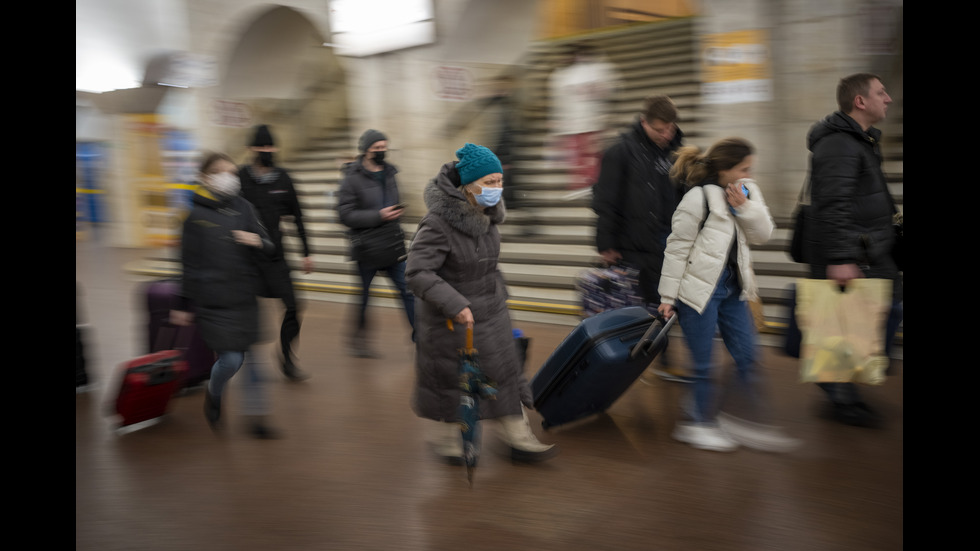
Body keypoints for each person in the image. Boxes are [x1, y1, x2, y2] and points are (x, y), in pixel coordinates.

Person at [406, 143, 557, 464]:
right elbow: (418, 272)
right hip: (453, 320)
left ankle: (517, 436)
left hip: (492, 311)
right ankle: (448, 439)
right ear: (467, 187)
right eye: (489, 183)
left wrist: (500, 297)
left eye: (500, 181)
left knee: (504, 371)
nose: (497, 189)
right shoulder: (436, 224)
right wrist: (455, 303)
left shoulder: (487, 219)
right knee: (454, 380)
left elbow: (487, 265)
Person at [658, 138, 799, 453]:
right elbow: (677, 247)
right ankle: (696, 424)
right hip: (698, 292)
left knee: (748, 355)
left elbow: (764, 234)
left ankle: (744, 420)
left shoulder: (746, 190)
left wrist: (744, 207)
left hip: (735, 288)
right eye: (743, 168)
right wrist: (668, 296)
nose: (748, 175)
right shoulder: (697, 198)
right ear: (724, 169)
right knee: (705, 363)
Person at [804, 73, 903, 428]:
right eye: (881, 92)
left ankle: (842, 386)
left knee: (871, 314)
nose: (888, 98)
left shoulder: (858, 140)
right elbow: (832, 205)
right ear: (860, 102)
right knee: (845, 323)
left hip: (870, 249)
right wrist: (840, 258)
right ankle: (840, 396)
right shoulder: (839, 145)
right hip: (853, 253)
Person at [171, 152, 279, 439]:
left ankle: (257, 421)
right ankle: (214, 391)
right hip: (214, 300)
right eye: (221, 172)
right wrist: (183, 303)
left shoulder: (244, 207)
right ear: (205, 178)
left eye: (232, 172)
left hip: (245, 295)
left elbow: (269, 245)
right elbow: (186, 263)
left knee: (255, 361)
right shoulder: (194, 217)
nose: (229, 178)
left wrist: (257, 240)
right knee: (232, 360)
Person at [592, 95, 687, 381]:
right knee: (645, 303)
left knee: (664, 301)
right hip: (632, 243)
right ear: (644, 122)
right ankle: (638, 360)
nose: (666, 135)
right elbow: (605, 200)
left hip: (667, 241)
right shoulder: (620, 152)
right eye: (659, 129)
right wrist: (606, 243)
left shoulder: (677, 152)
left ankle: (657, 358)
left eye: (669, 129)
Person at [239, 124, 312, 382]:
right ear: (250, 149)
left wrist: (306, 251)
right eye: (261, 146)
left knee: (293, 306)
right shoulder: (240, 178)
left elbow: (298, 215)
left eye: (270, 146)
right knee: (244, 314)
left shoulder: (283, 177)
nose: (266, 151)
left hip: (275, 256)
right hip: (245, 260)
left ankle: (286, 357)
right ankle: (239, 361)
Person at [337, 129, 416, 357]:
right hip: (367, 247)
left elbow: (395, 201)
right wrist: (378, 215)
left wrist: (394, 214)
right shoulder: (352, 178)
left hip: (392, 243)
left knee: (408, 290)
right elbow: (344, 214)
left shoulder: (390, 173)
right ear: (365, 150)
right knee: (364, 295)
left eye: (384, 147)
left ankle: (419, 336)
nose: (382, 152)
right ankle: (358, 339)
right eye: (377, 148)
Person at [548, 43, 618, 189]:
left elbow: (561, 101)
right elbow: (608, 90)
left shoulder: (564, 76)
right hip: (587, 122)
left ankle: (587, 182)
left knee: (585, 154)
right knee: (589, 154)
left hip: (581, 122)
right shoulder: (596, 70)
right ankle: (590, 182)